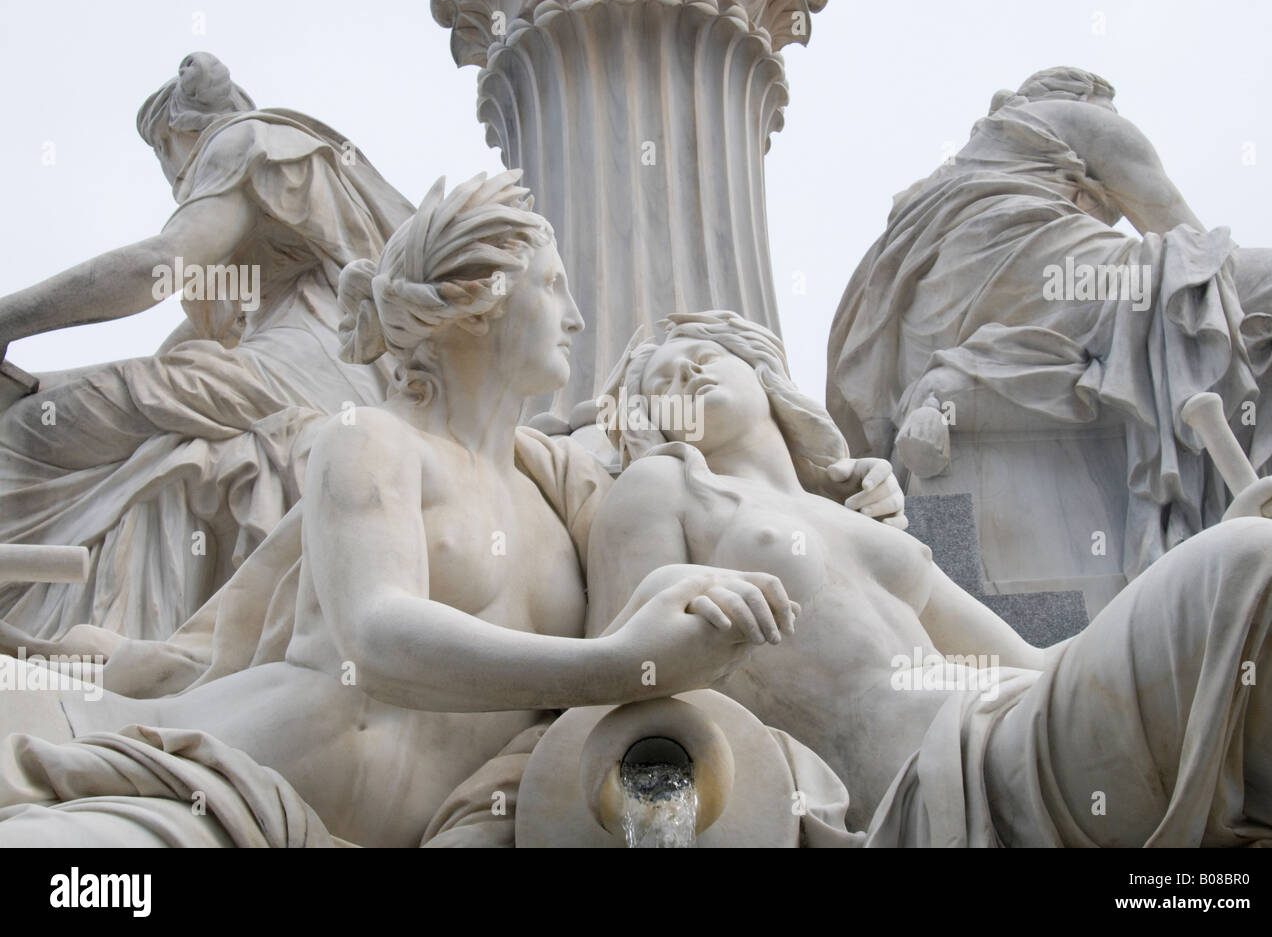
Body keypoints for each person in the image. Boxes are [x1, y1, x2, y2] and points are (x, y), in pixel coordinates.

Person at [0, 174, 861, 848]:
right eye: (555, 287)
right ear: (478, 298)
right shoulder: (372, 442)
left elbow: (707, 495)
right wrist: (617, 662)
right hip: (216, 795)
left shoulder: (563, 495)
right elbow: (379, 637)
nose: (577, 317)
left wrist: (842, 489)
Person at [592, 309, 1272, 845]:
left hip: (1014, 710)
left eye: (703, 353)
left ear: (760, 369)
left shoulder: (860, 517)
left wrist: (1197, 568)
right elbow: (623, 690)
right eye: (662, 382)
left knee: (1260, 586)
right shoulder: (661, 487)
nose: (685, 373)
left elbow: (1031, 659)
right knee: (1254, 564)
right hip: (948, 781)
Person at [0, 53, 411, 640]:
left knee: (26, 435)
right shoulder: (286, 176)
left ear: (182, 131)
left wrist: (7, 319)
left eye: (164, 150)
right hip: (339, 371)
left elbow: (158, 265)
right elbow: (180, 350)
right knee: (98, 404)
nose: (171, 177)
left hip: (317, 363)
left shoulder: (242, 141)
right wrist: (43, 382)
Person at [827, 66, 1272, 575]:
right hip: (1050, 275)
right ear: (1087, 99)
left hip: (954, 319)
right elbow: (1203, 258)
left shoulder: (949, 176)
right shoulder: (1083, 121)